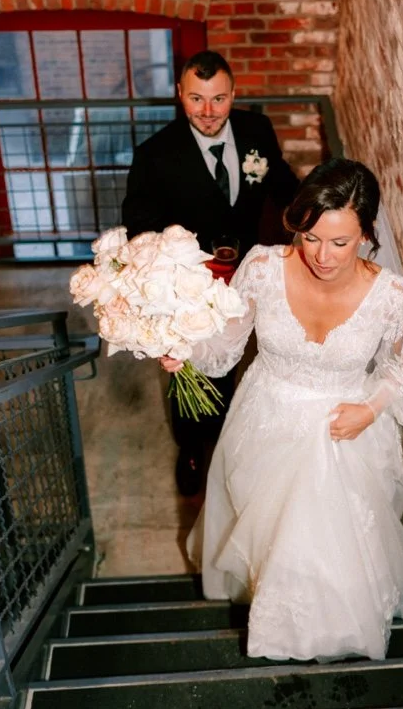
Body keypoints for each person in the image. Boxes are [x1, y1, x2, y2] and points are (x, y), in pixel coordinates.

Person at [159, 158, 403, 662]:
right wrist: (184, 350)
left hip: (345, 432)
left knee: (329, 551)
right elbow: (224, 346)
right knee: (270, 539)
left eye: (340, 242)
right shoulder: (262, 268)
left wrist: (371, 409)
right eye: (310, 238)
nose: (323, 256)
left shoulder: (393, 295)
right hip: (268, 419)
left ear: (367, 233)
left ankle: (325, 635)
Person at [121, 50, 299, 496]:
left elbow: (281, 182)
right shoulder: (155, 155)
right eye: (196, 99)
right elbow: (139, 228)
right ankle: (193, 447)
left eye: (218, 99)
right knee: (193, 369)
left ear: (233, 94)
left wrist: (318, 211)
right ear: (180, 95)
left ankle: (228, 440)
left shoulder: (257, 130)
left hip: (249, 276)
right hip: (190, 288)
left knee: (241, 362)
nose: (208, 112)